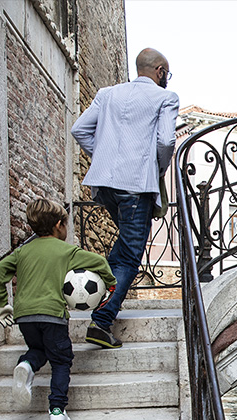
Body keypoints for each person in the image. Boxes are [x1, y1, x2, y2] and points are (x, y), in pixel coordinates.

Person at [70, 47, 179, 349]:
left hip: (105, 186)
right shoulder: (165, 97)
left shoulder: (107, 94)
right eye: (166, 74)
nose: (166, 79)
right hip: (136, 186)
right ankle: (101, 322)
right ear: (159, 71)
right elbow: (167, 140)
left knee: (123, 249)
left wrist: (103, 156)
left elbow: (79, 130)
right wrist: (157, 167)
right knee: (131, 255)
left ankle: (96, 296)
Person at [0, 199, 115, 420]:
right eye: (66, 225)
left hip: (25, 317)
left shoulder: (22, 252)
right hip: (53, 316)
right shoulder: (67, 251)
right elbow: (99, 261)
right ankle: (57, 409)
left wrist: (2, 304)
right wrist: (110, 285)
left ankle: (27, 365)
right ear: (59, 225)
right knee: (61, 360)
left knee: (39, 349)